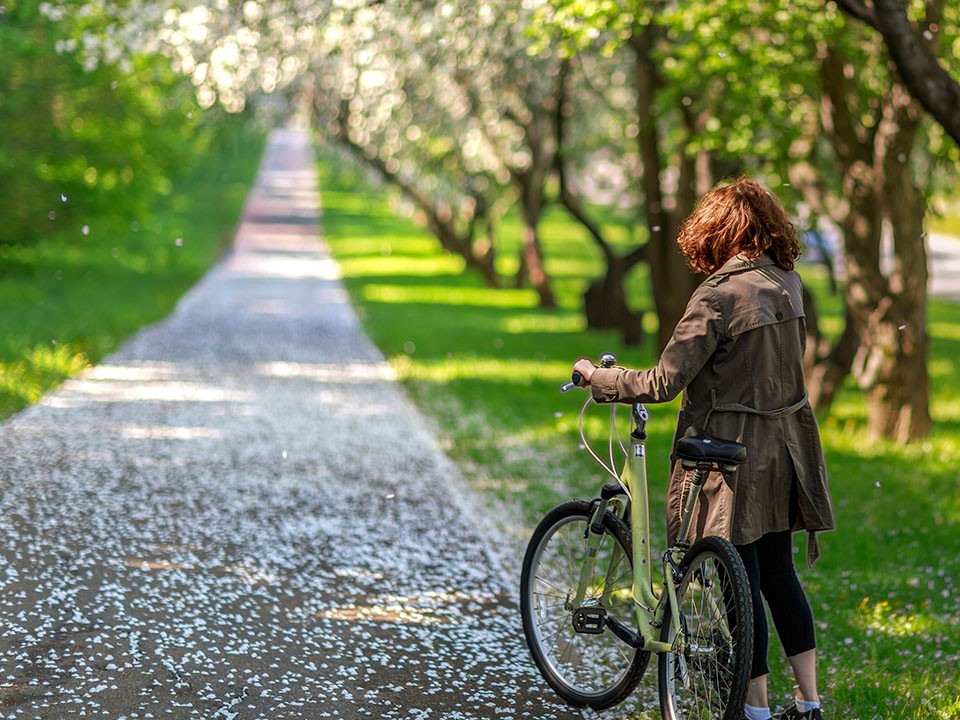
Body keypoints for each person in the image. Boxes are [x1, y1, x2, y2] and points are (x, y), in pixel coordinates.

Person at [572, 178, 835, 720]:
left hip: (729, 458)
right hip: (785, 450)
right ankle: (810, 703)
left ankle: (755, 709)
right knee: (779, 575)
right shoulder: (788, 281)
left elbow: (663, 383)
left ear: (717, 229)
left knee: (743, 580)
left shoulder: (717, 295)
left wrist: (599, 378)